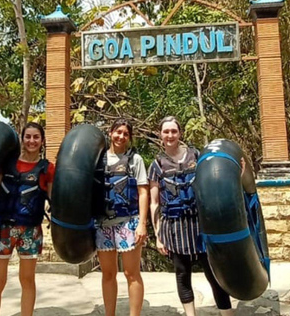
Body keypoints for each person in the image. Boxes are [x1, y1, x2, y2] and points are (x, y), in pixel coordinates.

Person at [148, 116, 234, 316]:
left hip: (202, 225)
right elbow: (154, 203)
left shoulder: (196, 155)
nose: (170, 135)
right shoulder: (156, 165)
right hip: (174, 228)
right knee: (182, 274)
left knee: (214, 274)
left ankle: (227, 313)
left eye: (173, 131)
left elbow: (216, 178)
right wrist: (159, 235)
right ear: (160, 135)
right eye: (166, 131)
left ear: (180, 133)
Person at [0, 122, 55, 316]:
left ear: (42, 141)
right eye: (28, 137)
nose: (32, 141)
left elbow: (53, 199)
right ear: (22, 139)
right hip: (2, 229)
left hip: (30, 231)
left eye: (36, 137)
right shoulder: (6, 164)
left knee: (27, 280)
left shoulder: (47, 169)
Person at [95, 118, 149, 316]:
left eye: (125, 134)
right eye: (118, 132)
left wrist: (142, 224)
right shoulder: (98, 160)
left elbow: (143, 192)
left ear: (129, 137)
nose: (121, 136)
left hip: (129, 222)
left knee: (131, 273)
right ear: (110, 133)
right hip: (103, 224)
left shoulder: (135, 160)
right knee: (108, 274)